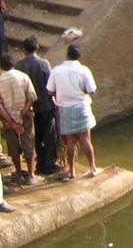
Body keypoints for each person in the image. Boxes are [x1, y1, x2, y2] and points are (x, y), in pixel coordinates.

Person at [47, 45, 98, 180]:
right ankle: (92, 168)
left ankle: (71, 171)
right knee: (85, 139)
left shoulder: (56, 70)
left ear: (67, 55)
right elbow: (92, 90)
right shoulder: (83, 70)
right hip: (81, 107)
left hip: (65, 109)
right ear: (79, 56)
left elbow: (49, 91)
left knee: (70, 142)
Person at [15, 38, 56, 178]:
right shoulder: (44, 63)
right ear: (37, 47)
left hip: (29, 107)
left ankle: (39, 164)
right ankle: (49, 165)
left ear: (23, 49)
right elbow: (50, 86)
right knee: (49, 135)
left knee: (35, 136)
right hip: (46, 105)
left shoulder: (19, 65)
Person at [0, 54, 37, 184]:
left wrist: (11, 122)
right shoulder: (23, 76)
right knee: (29, 143)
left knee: (13, 146)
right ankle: (31, 175)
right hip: (25, 115)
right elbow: (32, 97)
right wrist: (22, 113)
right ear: (13, 64)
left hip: (7, 118)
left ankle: (19, 174)